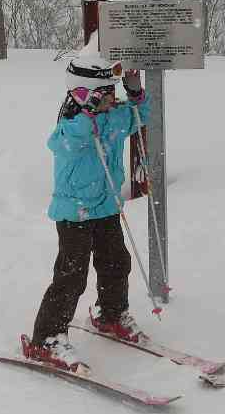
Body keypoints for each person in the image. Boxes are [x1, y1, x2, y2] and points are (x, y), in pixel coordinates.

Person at [22, 51, 150, 373]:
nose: (113, 99)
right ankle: (46, 338)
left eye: (113, 92)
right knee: (71, 277)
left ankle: (111, 313)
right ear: (85, 96)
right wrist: (87, 114)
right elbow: (61, 143)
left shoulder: (113, 116)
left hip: (106, 207)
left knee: (117, 262)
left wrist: (134, 93)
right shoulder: (71, 125)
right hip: (74, 213)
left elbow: (141, 115)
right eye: (106, 94)